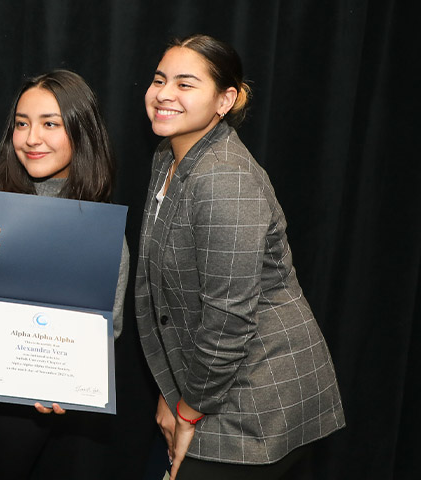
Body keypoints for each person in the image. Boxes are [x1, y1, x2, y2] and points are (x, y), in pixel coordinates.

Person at [135, 34, 345, 479]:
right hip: (208, 381)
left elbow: (229, 318)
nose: (164, 94)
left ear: (224, 99)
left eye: (185, 84)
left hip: (258, 397)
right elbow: (166, 293)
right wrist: (171, 389)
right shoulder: (167, 157)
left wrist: (188, 409)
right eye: (159, 80)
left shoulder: (224, 178)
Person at [0, 69, 130, 478]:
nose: (31, 138)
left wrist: (69, 379)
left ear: (81, 131)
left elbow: (107, 323)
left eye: (50, 124)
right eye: (22, 123)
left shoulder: (97, 223)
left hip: (25, 404)